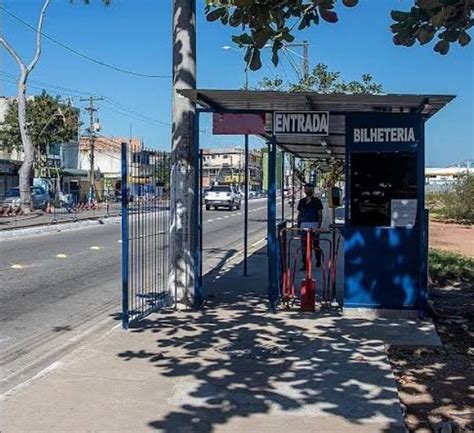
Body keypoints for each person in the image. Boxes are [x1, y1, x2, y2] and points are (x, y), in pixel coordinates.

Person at [297, 183, 323, 271]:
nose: (308, 190)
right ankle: (305, 264)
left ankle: (318, 259)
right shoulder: (302, 201)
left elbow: (320, 215)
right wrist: (298, 226)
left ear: (312, 190)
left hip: (314, 224)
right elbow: (299, 215)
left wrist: (318, 228)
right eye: (306, 189)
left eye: (309, 189)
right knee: (304, 246)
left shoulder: (317, 201)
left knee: (315, 244)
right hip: (304, 225)